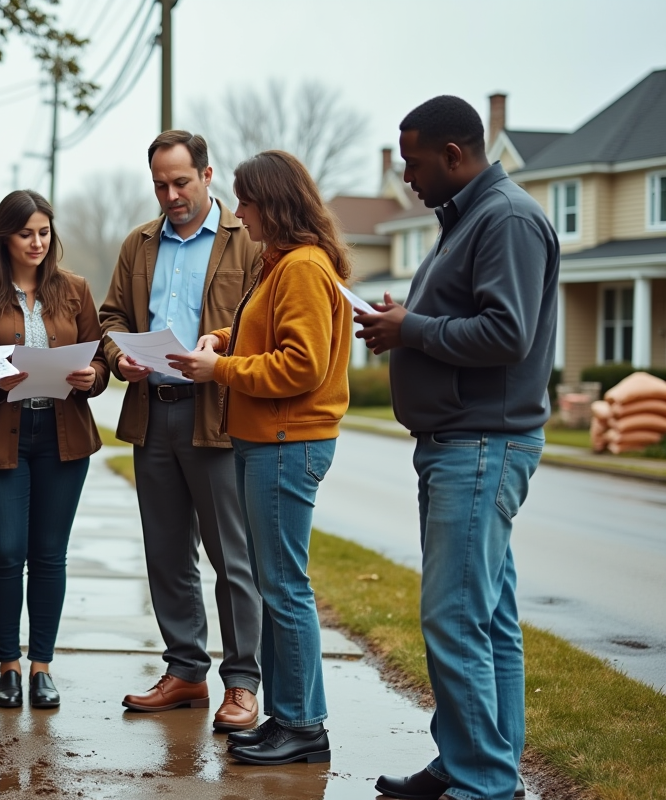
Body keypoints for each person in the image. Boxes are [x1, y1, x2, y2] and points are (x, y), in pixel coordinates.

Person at [357, 96, 557, 800]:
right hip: (461, 443)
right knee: (487, 618)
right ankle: (474, 763)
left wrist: (409, 330)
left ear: (452, 154)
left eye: (412, 164)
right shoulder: (467, 218)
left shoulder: (506, 219)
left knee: (455, 617)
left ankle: (484, 782)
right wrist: (404, 321)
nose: (406, 177)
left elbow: (507, 333)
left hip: (480, 446)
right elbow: (465, 317)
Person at [168, 150, 353, 766]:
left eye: (246, 201)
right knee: (276, 585)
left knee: (284, 587)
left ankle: (302, 726)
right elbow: (263, 332)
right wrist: (222, 340)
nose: (239, 212)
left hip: (285, 443)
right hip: (267, 442)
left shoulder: (302, 267)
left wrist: (218, 370)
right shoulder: (281, 263)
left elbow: (301, 365)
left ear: (273, 203)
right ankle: (287, 719)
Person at [98, 130, 263, 732]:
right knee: (167, 554)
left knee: (232, 558)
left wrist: (220, 350)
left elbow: (263, 324)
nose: (171, 196)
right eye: (160, 185)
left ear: (207, 175)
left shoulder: (247, 241)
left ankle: (242, 683)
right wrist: (118, 357)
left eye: (181, 182)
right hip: (153, 413)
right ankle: (186, 671)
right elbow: (111, 317)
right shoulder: (139, 244)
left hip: (218, 414)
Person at [0, 190, 109, 709]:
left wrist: (92, 377)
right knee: (5, 553)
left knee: (49, 555)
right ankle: (9, 667)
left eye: (44, 232)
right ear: (5, 237)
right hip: (1, 436)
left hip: (63, 438)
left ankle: (42, 667)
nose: (37, 242)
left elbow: (99, 361)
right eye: (26, 234)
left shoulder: (74, 289)